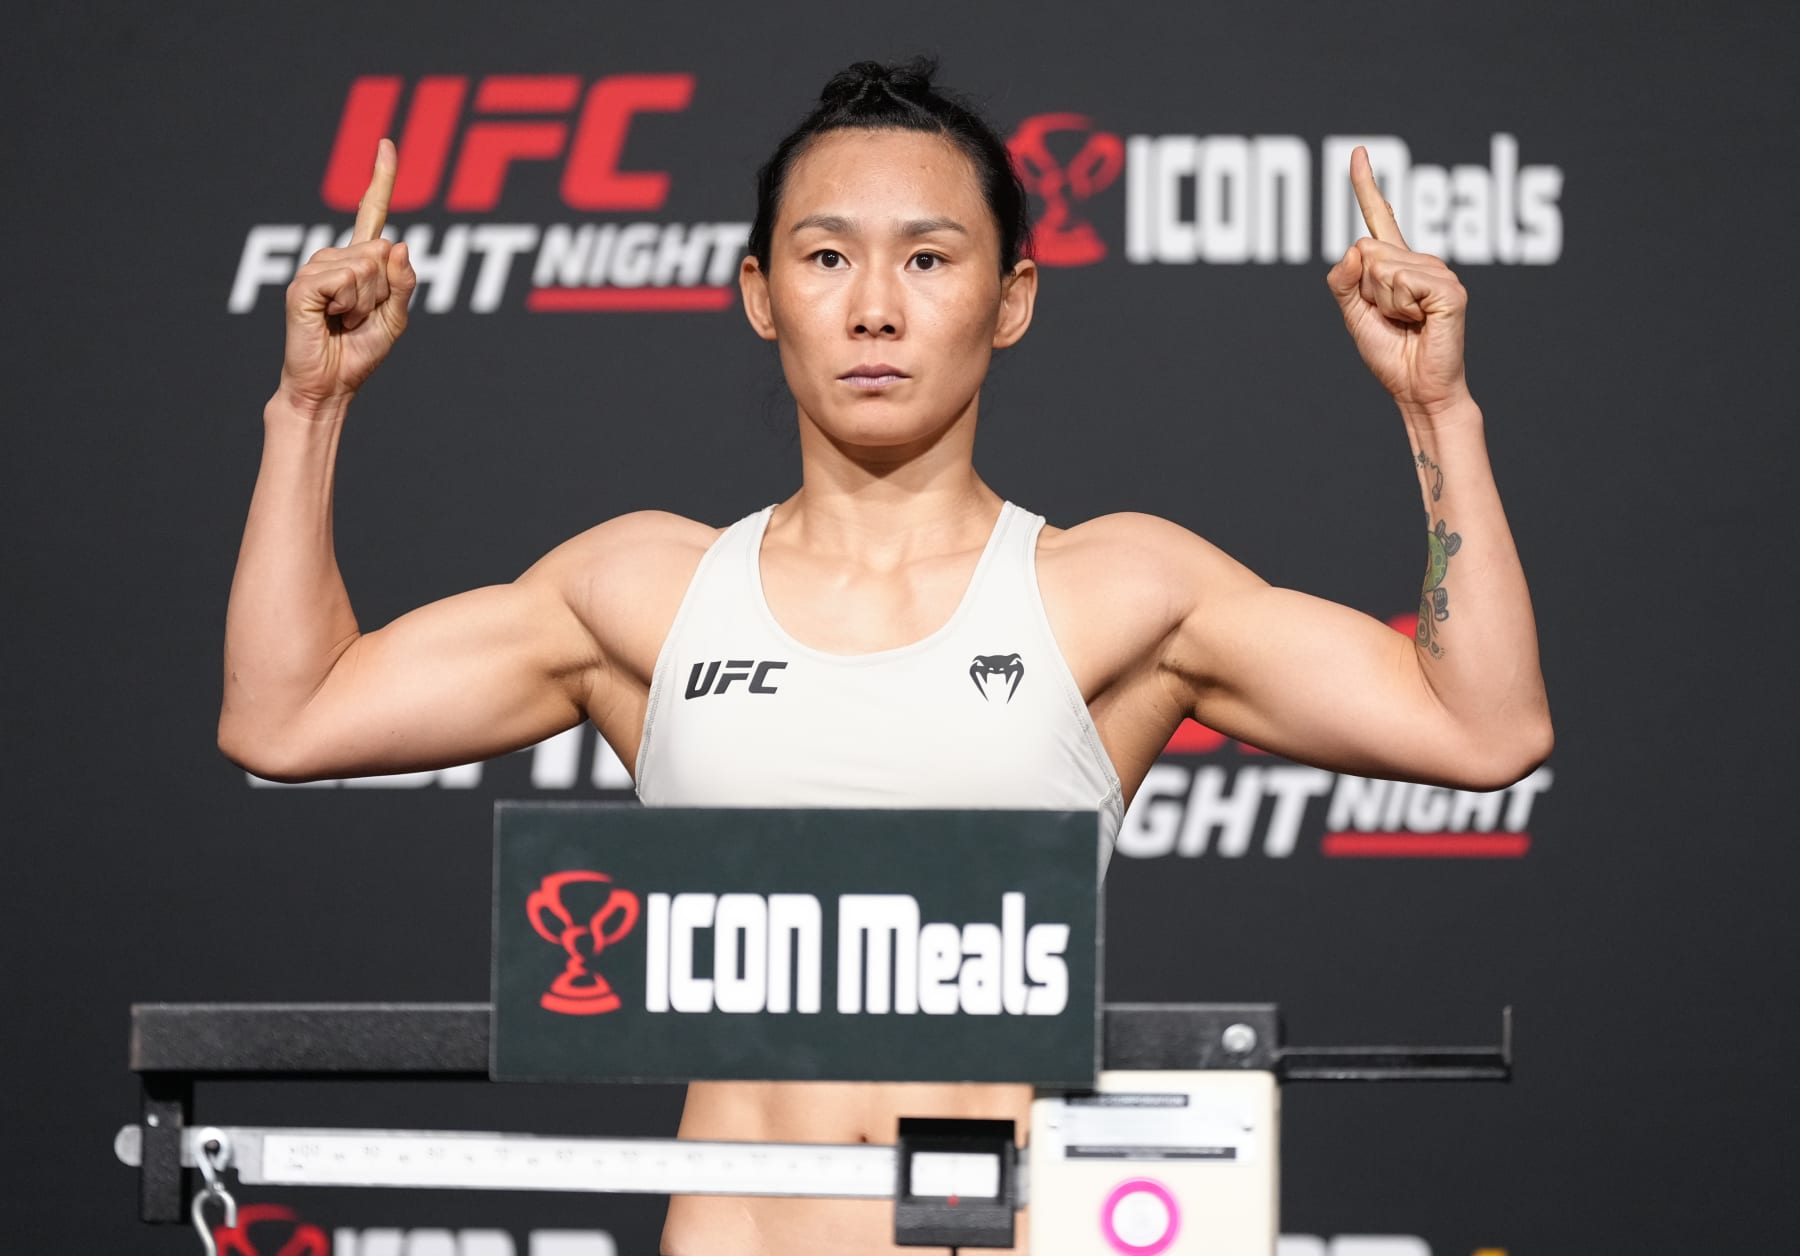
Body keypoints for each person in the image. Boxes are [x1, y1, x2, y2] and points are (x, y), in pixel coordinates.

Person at [220, 58, 1551, 1256]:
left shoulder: (1118, 591)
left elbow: (1482, 728)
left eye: (928, 258)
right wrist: (311, 406)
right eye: (824, 256)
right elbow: (289, 715)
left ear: (1010, 297)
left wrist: (1439, 408)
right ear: (758, 293)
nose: (873, 309)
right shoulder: (644, 593)